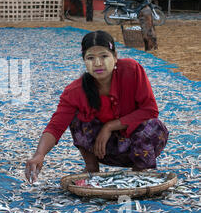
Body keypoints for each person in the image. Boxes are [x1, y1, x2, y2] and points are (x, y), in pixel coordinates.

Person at [25, 31, 169, 183]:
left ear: (115, 56)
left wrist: (110, 126)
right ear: (84, 61)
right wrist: (39, 154)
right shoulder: (75, 90)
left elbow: (150, 109)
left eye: (104, 56)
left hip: (141, 147)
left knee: (154, 125)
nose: (98, 63)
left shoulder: (131, 70)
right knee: (75, 117)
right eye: (90, 58)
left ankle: (142, 170)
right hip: (105, 151)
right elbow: (56, 126)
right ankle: (92, 167)